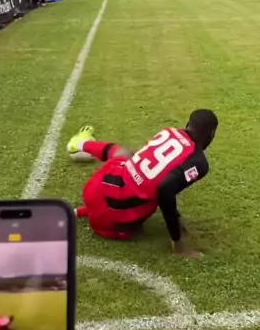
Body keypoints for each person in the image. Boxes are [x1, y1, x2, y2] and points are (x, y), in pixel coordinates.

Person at [67, 109, 219, 257]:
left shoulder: (169, 132)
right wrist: (178, 242)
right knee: (153, 193)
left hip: (96, 189)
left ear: (188, 125)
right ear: (211, 134)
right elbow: (165, 190)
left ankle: (81, 144)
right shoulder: (199, 162)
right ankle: (90, 210)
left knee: (124, 155)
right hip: (114, 223)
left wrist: (176, 217)